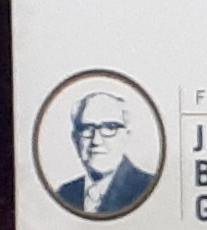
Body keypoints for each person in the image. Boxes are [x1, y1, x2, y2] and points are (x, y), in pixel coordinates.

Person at [55, 88, 155, 216]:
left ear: (126, 135)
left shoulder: (147, 189)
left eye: (109, 127)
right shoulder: (65, 194)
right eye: (87, 129)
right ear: (75, 138)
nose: (96, 140)